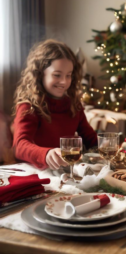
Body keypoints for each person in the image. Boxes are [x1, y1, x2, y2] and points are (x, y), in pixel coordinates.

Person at [12, 39, 98, 170]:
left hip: (64, 171)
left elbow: (90, 138)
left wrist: (106, 145)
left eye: (68, 75)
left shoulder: (74, 105)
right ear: (40, 74)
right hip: (35, 172)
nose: (63, 82)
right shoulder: (29, 107)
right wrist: (45, 154)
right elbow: (20, 146)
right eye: (57, 75)